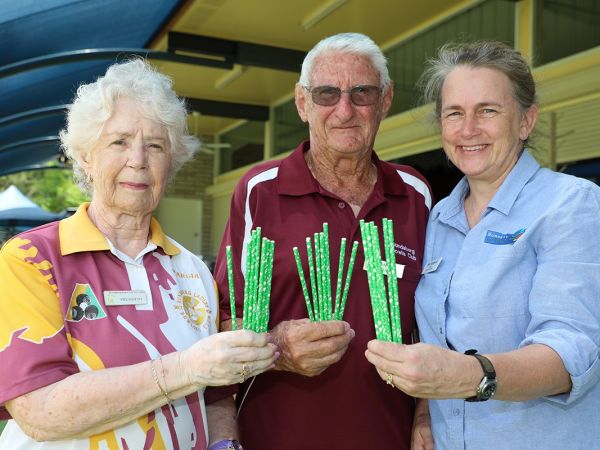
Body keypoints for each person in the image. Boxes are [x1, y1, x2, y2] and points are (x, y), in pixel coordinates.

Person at [0, 59, 278, 450]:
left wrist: (224, 444)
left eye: (155, 145)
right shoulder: (33, 258)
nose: (138, 160)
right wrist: (184, 368)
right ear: (85, 156)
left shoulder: (191, 269)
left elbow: (215, 393)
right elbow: (40, 409)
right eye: (119, 142)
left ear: (172, 162)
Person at [365, 41, 600, 449]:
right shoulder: (438, 218)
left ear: (526, 121)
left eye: (488, 111)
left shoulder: (572, 204)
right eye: (454, 113)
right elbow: (436, 336)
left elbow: (573, 350)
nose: (468, 129)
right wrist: (424, 411)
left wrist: (473, 375)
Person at [212, 33, 432, 450]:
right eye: (327, 93)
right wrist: (275, 346)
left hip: (390, 437)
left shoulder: (415, 193)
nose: (344, 110)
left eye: (362, 93)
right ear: (302, 103)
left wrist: (426, 412)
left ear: (385, 101)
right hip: (275, 437)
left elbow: (435, 322)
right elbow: (220, 322)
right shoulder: (259, 191)